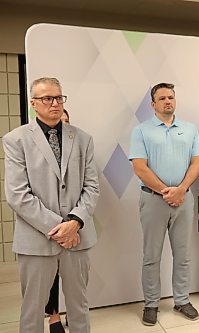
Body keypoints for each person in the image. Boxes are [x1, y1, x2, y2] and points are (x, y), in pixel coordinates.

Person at [3, 77, 99, 333]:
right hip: (37, 238)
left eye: (59, 98)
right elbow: (17, 195)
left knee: (79, 306)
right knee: (32, 310)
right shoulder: (16, 140)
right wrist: (61, 227)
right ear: (34, 103)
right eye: (47, 98)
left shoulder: (83, 138)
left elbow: (92, 187)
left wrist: (75, 222)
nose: (55, 103)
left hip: (77, 239)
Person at [129, 82, 199, 325]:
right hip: (153, 200)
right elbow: (139, 167)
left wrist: (180, 190)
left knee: (183, 255)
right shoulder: (141, 131)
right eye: (162, 98)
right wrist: (165, 191)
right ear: (153, 104)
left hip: (184, 200)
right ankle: (151, 304)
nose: (167, 101)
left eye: (171, 97)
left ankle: (181, 300)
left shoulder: (189, 129)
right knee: (152, 255)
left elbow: (196, 163)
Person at [44, 108, 72, 332]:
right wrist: (55, 225)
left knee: (76, 276)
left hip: (75, 224)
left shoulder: (79, 145)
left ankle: (73, 311)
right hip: (46, 226)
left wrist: (75, 222)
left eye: (65, 121)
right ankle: (53, 315)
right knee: (51, 275)